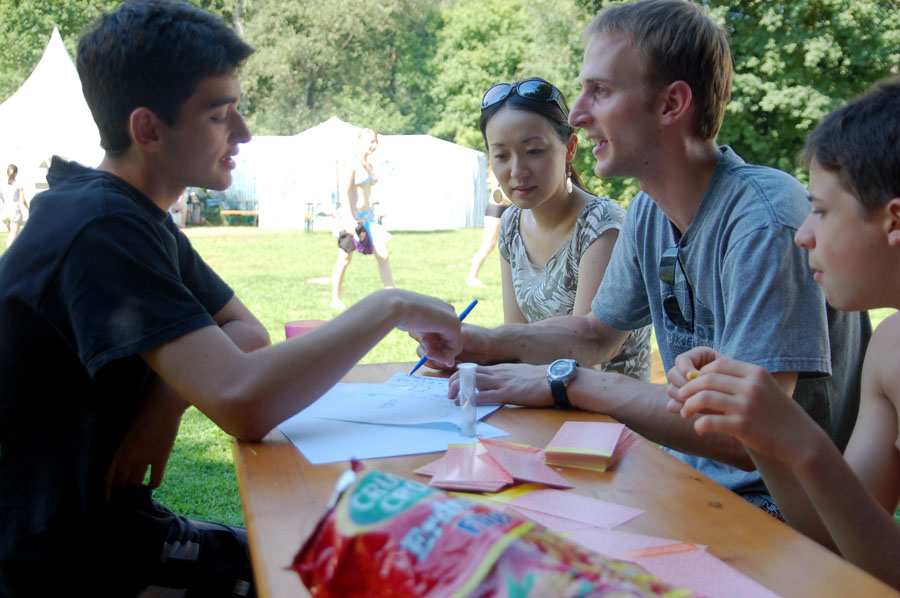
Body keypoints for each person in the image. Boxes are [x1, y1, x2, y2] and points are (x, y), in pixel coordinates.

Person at [0, 2, 462, 596]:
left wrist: (166, 402)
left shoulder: (129, 214)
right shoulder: (99, 225)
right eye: (220, 114)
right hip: (55, 560)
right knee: (330, 577)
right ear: (148, 129)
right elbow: (244, 403)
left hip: (101, 527)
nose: (242, 132)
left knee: (318, 551)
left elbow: (245, 332)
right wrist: (391, 305)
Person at [420, 0, 869, 517]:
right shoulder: (648, 214)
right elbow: (595, 333)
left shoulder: (765, 218)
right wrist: (479, 340)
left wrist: (567, 382)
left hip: (779, 509)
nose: (579, 114)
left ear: (671, 104)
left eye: (601, 91)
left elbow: (747, 435)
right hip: (684, 475)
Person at [667, 78, 900, 589]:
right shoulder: (889, 347)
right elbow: (838, 543)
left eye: (820, 209)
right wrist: (758, 428)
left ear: (893, 220)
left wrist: (800, 437)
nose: (803, 234)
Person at [480, 77, 651, 379]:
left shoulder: (601, 226)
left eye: (534, 151)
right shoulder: (510, 224)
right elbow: (516, 343)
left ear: (570, 148)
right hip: (541, 397)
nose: (517, 171)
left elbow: (586, 364)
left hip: (610, 413)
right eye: (502, 155)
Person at [330, 128, 394, 310]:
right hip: (352, 218)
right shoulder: (351, 165)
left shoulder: (368, 165)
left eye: (375, 142)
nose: (373, 146)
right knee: (344, 258)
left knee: (384, 255)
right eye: (370, 142)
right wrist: (349, 220)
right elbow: (344, 193)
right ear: (360, 142)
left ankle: (391, 295)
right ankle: (335, 298)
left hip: (368, 219)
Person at [465, 165, 512, 287]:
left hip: (508, 209)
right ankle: (472, 277)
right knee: (488, 244)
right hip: (496, 209)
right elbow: (500, 194)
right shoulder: (495, 172)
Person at [2, 164, 28, 248]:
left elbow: (2, 198)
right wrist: (28, 208)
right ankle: (8, 256)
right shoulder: (18, 184)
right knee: (13, 236)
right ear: (16, 172)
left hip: (5, 211)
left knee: (10, 234)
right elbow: (23, 200)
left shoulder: (2, 184)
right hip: (15, 211)